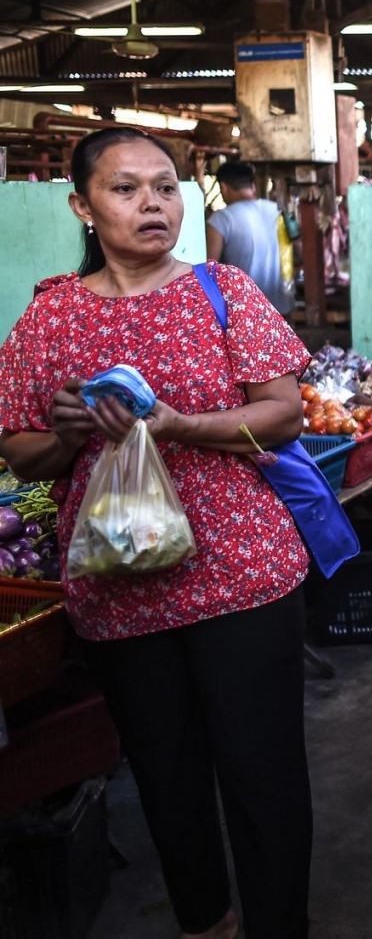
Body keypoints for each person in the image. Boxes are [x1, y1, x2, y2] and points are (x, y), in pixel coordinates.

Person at [0, 128, 313, 939]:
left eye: (167, 188)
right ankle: (207, 924)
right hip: (118, 589)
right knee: (166, 775)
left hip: (241, 573)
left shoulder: (224, 291)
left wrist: (179, 424)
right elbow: (23, 454)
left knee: (262, 773)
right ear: (81, 206)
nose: (153, 204)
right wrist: (70, 435)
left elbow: (282, 414)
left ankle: (278, 926)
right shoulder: (48, 317)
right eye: (126, 188)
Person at [205, 160, 294, 316]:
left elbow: (209, 271)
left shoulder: (221, 219)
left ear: (223, 187)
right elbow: (296, 251)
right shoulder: (278, 210)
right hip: (283, 309)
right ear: (252, 185)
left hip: (247, 314)